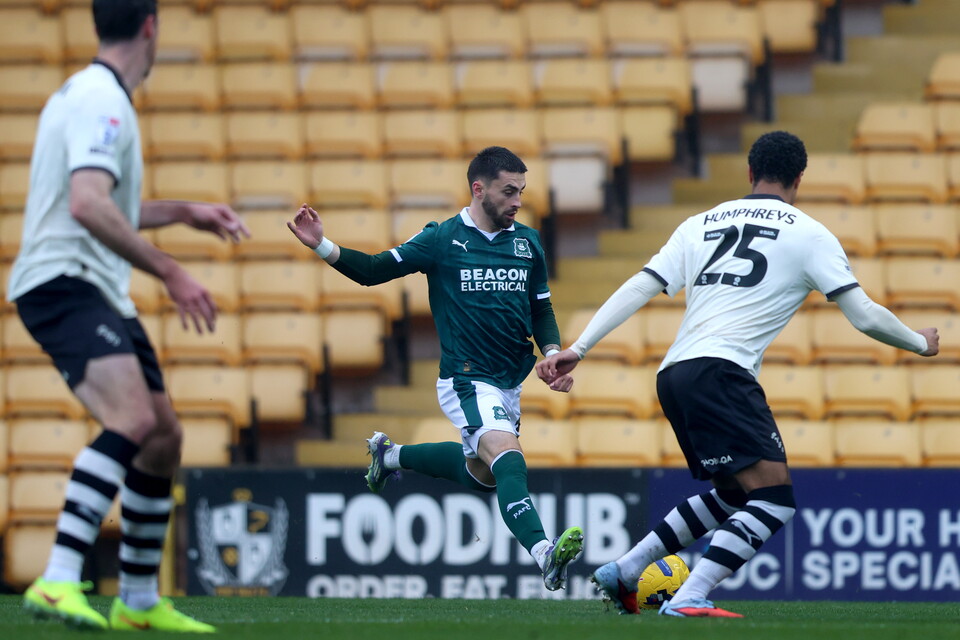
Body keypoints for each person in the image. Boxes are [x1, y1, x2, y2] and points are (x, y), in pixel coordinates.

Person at [536, 131, 939, 617]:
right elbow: (865, 316)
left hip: (674, 374)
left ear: (750, 173)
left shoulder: (699, 223)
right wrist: (919, 342)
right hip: (721, 371)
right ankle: (689, 597)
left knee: (732, 495)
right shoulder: (809, 233)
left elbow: (641, 284)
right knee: (774, 499)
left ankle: (624, 569)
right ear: (799, 178)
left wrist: (579, 347)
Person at [9, 0, 249, 631]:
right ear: (150, 26)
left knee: (164, 434)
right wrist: (171, 271)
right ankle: (59, 578)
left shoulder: (86, 94)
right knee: (135, 418)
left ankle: (138, 602)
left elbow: (100, 201)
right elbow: (88, 206)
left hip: (93, 287)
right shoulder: (102, 100)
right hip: (64, 282)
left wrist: (185, 211)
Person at [288, 146, 584, 592]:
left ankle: (389, 456)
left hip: (508, 383)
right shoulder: (442, 240)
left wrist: (553, 352)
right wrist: (322, 246)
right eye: (509, 191)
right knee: (508, 457)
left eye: (521, 191)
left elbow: (541, 307)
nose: (517, 201)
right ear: (478, 189)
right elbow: (372, 271)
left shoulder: (528, 242)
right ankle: (543, 553)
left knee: (481, 475)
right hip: (465, 379)